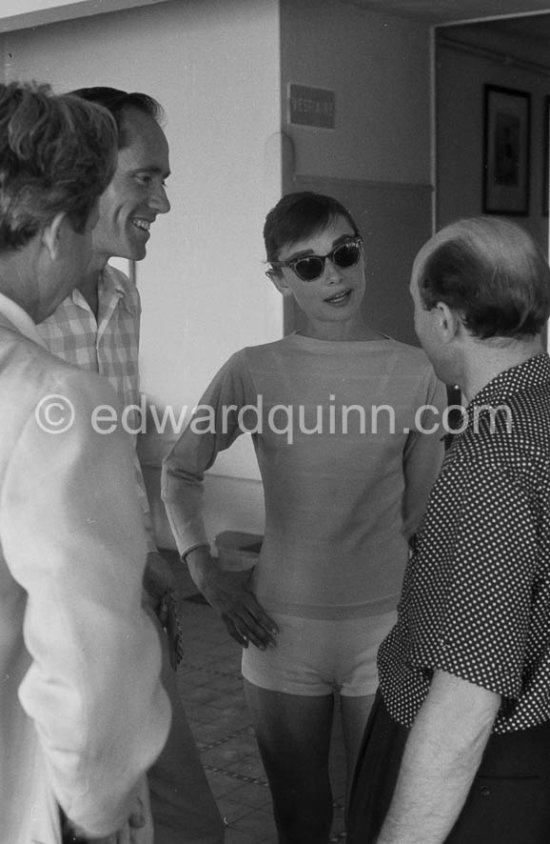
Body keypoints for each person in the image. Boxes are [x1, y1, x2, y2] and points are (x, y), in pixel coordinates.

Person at [161, 191, 446, 843]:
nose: (335, 276)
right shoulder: (254, 371)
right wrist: (204, 571)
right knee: (301, 821)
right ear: (279, 279)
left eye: (344, 253)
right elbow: (180, 471)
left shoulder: (418, 372)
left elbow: (425, 519)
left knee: (380, 819)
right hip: (280, 634)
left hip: (386, 630)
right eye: (308, 264)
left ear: (362, 251)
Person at [39, 87, 225, 844]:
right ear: (82, 173)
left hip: (127, 606)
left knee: (185, 826)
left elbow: (113, 452)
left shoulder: (123, 299)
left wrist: (148, 564)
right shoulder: (19, 311)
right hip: (47, 625)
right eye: (145, 178)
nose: (164, 202)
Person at [0, 81, 171, 844]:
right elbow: (85, 665)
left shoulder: (123, 306)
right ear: (55, 227)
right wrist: (101, 815)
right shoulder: (47, 396)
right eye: (145, 178)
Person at [347, 216, 550, 843]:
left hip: (491, 775)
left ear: (445, 320)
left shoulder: (495, 456)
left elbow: (466, 701)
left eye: (415, 305)